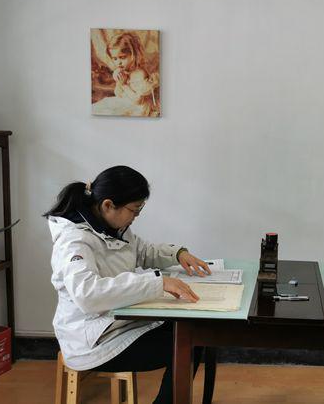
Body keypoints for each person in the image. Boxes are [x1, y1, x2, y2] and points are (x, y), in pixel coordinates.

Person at [45, 165, 210, 404]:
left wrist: (177, 254)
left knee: (193, 331)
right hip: (93, 340)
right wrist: (158, 283)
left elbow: (141, 251)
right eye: (134, 209)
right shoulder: (74, 241)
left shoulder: (113, 226)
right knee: (187, 346)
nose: (137, 215)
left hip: (121, 323)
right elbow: (88, 294)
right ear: (108, 205)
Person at [92, 32, 160, 117]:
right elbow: (118, 94)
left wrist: (124, 84)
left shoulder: (139, 73)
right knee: (100, 107)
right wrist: (119, 82)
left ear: (133, 55)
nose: (119, 62)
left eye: (122, 57)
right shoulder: (123, 71)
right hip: (125, 102)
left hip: (138, 108)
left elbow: (138, 100)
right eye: (115, 59)